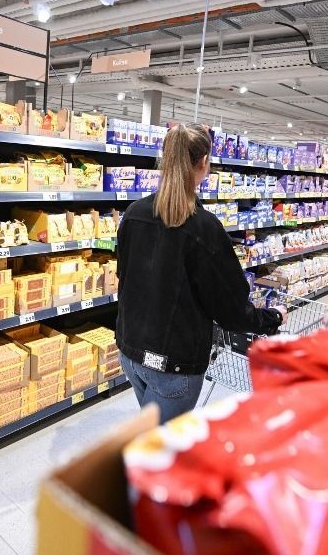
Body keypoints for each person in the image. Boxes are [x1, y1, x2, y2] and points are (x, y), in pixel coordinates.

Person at [116, 123, 285, 423]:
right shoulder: (204, 228)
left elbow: (125, 277)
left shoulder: (133, 214)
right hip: (174, 365)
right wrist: (271, 319)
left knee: (156, 438)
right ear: (203, 163)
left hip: (131, 353)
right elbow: (230, 307)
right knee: (164, 448)